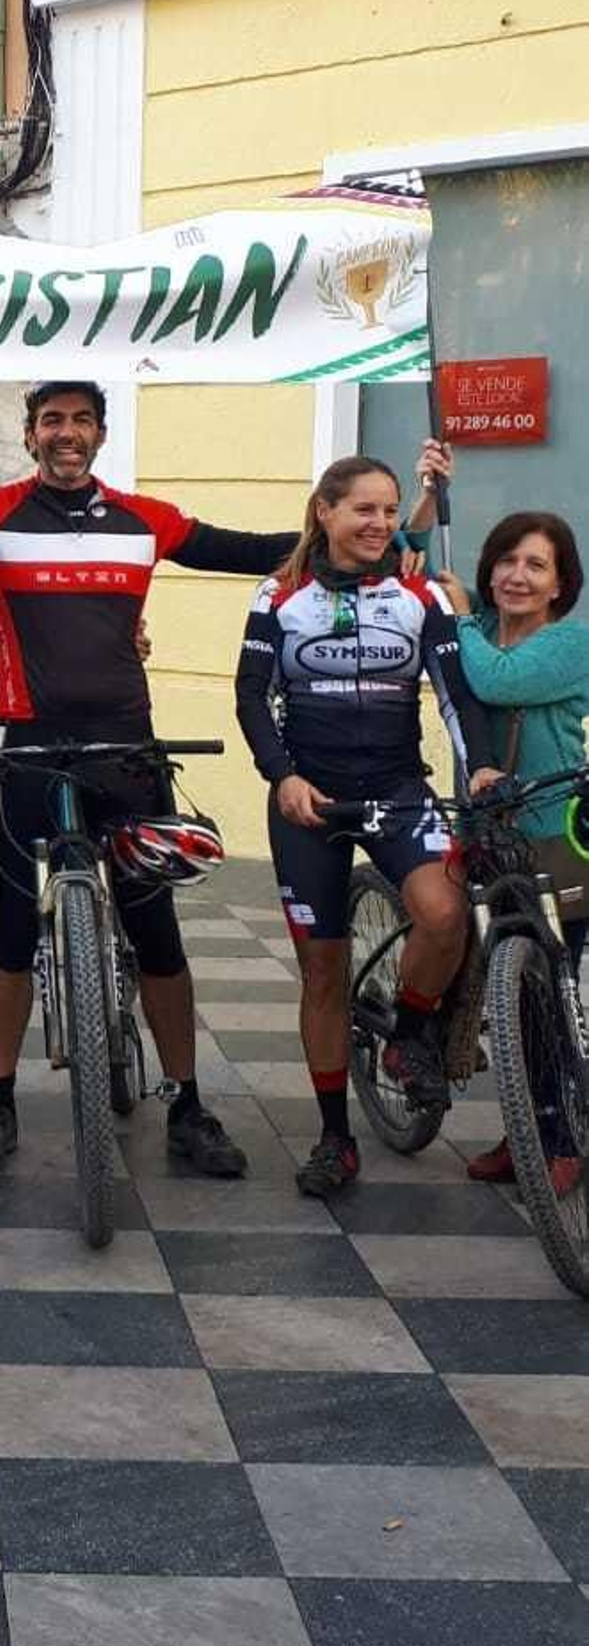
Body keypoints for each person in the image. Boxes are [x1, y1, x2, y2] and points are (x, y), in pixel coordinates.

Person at [0, 380, 300, 1180]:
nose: (68, 433)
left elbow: (245, 549)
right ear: (29, 435)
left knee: (156, 931)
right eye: (52, 421)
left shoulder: (144, 520)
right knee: (14, 929)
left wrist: (363, 533)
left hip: (128, 751)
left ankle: (188, 1104)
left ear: (100, 433)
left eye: (82, 420)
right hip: (28, 748)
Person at [236, 454, 498, 1197]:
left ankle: (410, 1033)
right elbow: (252, 698)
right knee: (322, 970)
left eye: (390, 511)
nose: (381, 524)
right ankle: (333, 1138)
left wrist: (478, 765)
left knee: (444, 912)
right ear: (326, 511)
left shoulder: (417, 592)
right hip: (308, 802)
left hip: (395, 786)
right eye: (365, 510)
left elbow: (454, 693)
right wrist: (282, 777)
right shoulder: (279, 594)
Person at [436, 508, 589, 1189]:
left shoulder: (570, 644)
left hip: (557, 839)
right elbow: (409, 552)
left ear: (560, 584)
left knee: (551, 993)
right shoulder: (484, 639)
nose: (517, 576)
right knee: (508, 994)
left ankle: (560, 1138)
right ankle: (529, 1132)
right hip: (490, 839)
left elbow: (496, 681)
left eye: (535, 565)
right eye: (506, 560)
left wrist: (459, 615)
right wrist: (427, 493)